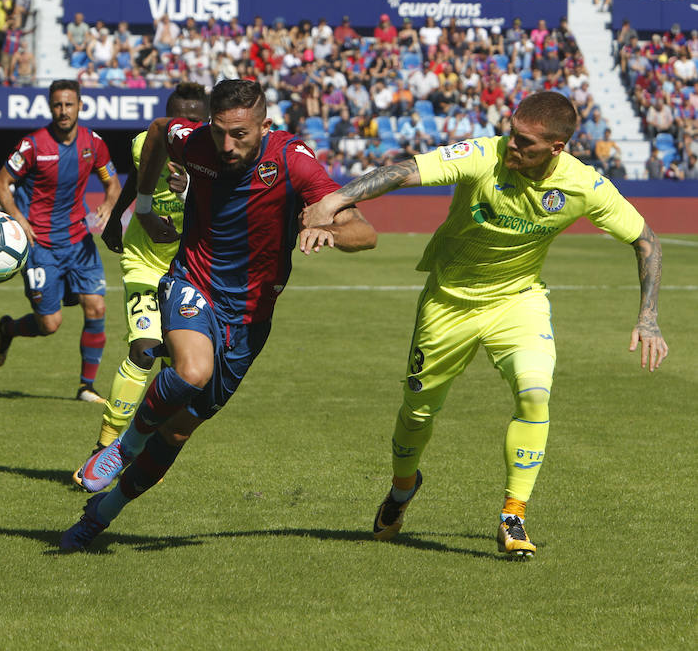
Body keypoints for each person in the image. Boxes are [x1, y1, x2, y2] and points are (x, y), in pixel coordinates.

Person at [301, 91, 668, 558]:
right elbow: (404, 171)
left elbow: (647, 240)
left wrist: (649, 319)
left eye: (526, 143)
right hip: (448, 303)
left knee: (535, 393)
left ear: (557, 148)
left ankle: (513, 515)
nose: (512, 146)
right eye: (512, 133)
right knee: (418, 414)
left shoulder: (584, 185)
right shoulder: (483, 154)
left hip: (518, 301)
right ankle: (401, 491)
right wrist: (336, 198)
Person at [60, 79, 377, 550]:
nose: (227, 145)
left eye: (240, 135)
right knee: (191, 371)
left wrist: (329, 229)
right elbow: (159, 130)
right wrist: (142, 207)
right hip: (194, 281)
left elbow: (365, 231)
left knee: (180, 429)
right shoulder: (196, 142)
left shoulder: (293, 161)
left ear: (264, 126)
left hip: (250, 317)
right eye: (219, 131)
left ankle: (101, 514)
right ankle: (121, 447)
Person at [71, 82, 209, 487]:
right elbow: (137, 179)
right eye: (178, 121)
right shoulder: (143, 144)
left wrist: (192, 192)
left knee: (180, 369)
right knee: (144, 350)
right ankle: (105, 447)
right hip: (145, 264)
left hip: (190, 271)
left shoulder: (216, 160)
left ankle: (149, 450)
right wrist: (116, 222)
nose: (186, 129)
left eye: (196, 122)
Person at [0, 80, 122, 403]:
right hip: (40, 245)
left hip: (78, 240)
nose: (63, 111)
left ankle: (86, 387)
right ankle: (8, 329)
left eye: (69, 105)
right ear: (51, 107)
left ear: (79, 106)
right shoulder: (33, 145)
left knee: (98, 306)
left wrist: (107, 204)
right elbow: (1, 184)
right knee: (49, 324)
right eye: (57, 105)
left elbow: (113, 184)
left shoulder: (93, 143)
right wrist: (19, 219)